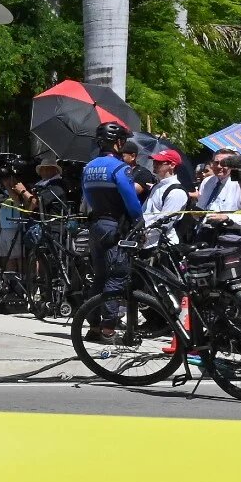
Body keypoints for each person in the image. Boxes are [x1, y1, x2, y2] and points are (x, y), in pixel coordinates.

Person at [82, 121, 144, 332]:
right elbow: (131, 200)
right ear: (117, 143)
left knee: (99, 276)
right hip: (114, 226)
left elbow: (87, 197)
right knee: (117, 274)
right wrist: (138, 220)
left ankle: (93, 325)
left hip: (96, 224)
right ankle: (109, 325)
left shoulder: (88, 167)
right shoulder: (120, 168)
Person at [143, 149, 189, 247]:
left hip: (162, 246)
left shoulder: (176, 192)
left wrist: (143, 231)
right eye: (154, 161)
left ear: (172, 165)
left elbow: (165, 222)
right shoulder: (157, 185)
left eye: (159, 162)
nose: (154, 164)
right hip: (146, 242)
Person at [195, 153, 241, 241]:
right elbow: (201, 208)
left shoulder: (240, 183)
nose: (219, 166)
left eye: (224, 163)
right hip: (205, 231)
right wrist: (197, 213)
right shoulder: (207, 182)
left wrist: (226, 217)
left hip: (229, 233)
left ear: (232, 165)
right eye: (216, 162)